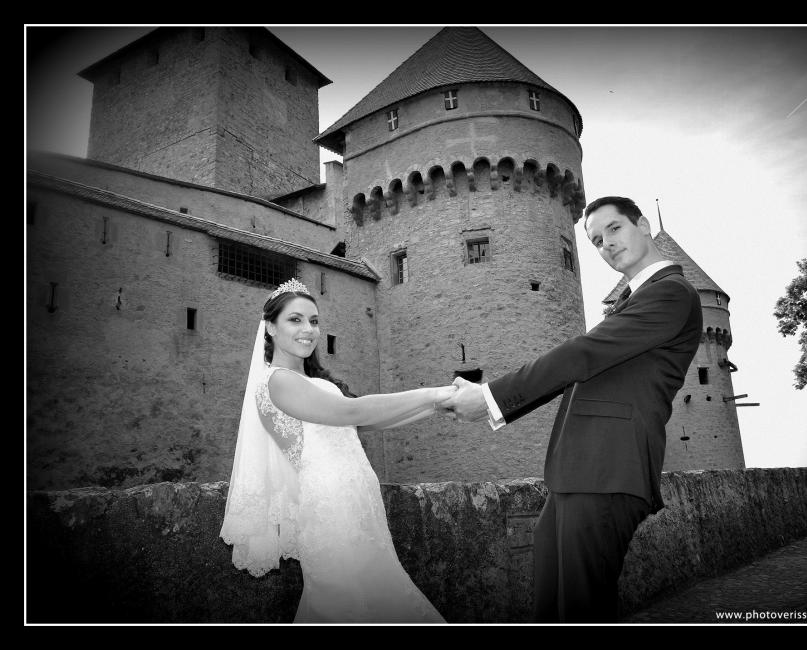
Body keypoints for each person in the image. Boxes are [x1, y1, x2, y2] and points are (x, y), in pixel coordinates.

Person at [440, 196, 703, 622]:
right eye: (597, 240)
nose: (607, 244)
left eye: (614, 229)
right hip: (579, 472)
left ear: (642, 225)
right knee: (552, 608)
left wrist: (488, 397)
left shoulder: (671, 292)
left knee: (580, 609)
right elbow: (578, 370)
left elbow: (581, 354)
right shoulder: (635, 299)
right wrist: (493, 404)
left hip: (609, 469)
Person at [220, 278, 451, 623]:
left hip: (358, 501)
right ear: (270, 327)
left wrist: (437, 407)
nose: (308, 330)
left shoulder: (315, 383)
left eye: (314, 321)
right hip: (329, 508)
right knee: (348, 603)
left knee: (376, 598)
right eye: (295, 319)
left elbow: (366, 423)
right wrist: (435, 393)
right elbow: (353, 412)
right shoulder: (277, 381)